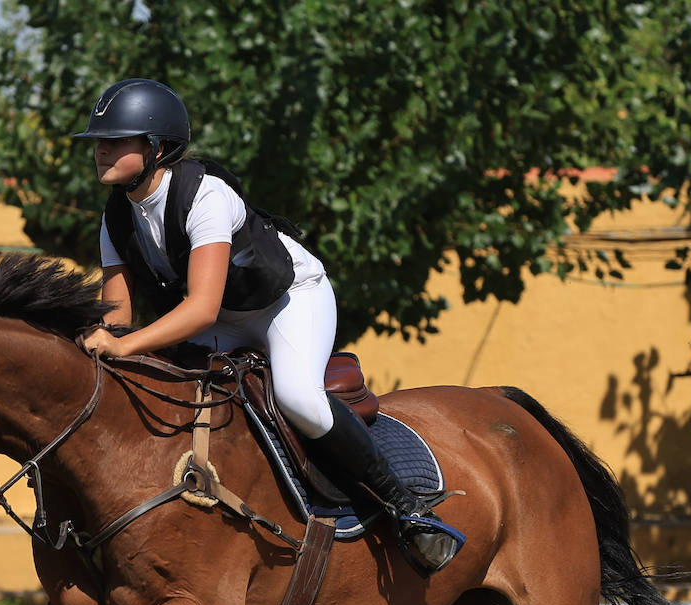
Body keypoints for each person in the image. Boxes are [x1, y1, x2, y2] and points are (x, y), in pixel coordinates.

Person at [72, 78, 458, 574]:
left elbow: (201, 308)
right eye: (98, 142)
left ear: (157, 148)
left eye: (115, 140)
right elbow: (118, 319)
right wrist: (92, 341)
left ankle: (407, 506)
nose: (100, 150)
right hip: (225, 320)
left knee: (298, 396)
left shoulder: (204, 194)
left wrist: (126, 347)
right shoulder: (115, 217)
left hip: (289, 302)